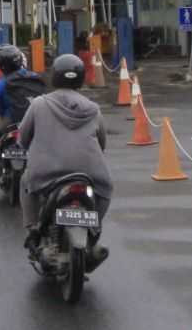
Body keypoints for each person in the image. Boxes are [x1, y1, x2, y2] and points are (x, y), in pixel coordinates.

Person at [18, 53, 112, 266]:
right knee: (105, 190)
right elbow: (102, 143)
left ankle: (33, 230)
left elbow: (23, 138)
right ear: (80, 78)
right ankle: (93, 231)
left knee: (26, 181)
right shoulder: (93, 109)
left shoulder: (39, 104)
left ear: (55, 76)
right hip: (90, 174)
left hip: (47, 173)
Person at [0, 44, 45, 176]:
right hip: (36, 121)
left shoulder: (1, 83)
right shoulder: (35, 77)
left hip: (11, 122)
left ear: (2, 65)